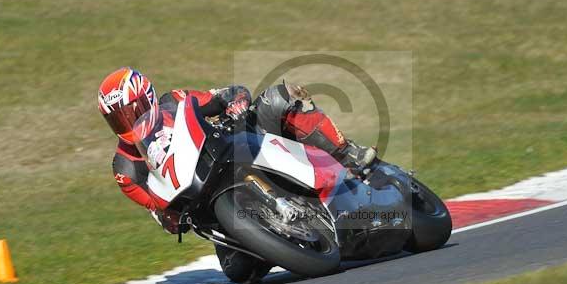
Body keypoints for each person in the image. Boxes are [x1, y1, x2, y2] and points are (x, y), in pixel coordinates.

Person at [97, 67, 376, 236]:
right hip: (204, 202)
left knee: (278, 98)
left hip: (232, 148)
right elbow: (154, 207)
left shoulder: (175, 101)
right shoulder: (125, 168)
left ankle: (346, 152)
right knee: (239, 272)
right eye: (117, 119)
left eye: (132, 111)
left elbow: (224, 95)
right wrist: (166, 217)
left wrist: (235, 102)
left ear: (149, 98)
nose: (128, 121)